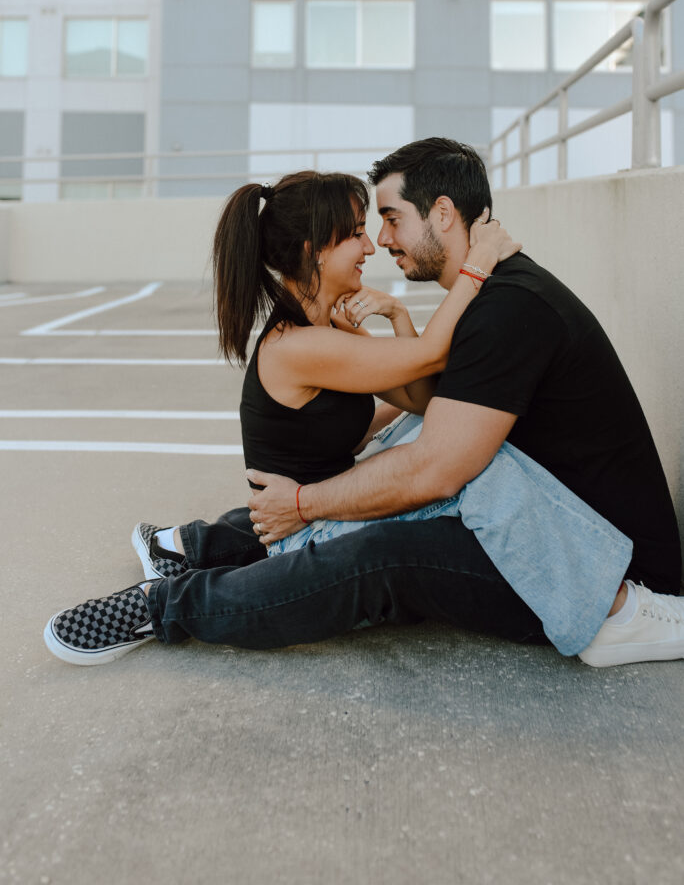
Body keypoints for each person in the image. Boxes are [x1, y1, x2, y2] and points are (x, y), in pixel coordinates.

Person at [43, 142, 683, 668]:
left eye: (387, 219)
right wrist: (469, 277)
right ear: (311, 251)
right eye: (360, 230)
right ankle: (168, 597)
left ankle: (182, 557)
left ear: (441, 213)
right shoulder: (312, 340)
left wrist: (305, 499)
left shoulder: (493, 308)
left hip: (589, 550)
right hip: (334, 529)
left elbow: (422, 407)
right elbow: (430, 385)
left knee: (431, 478)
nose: (377, 241)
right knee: (415, 490)